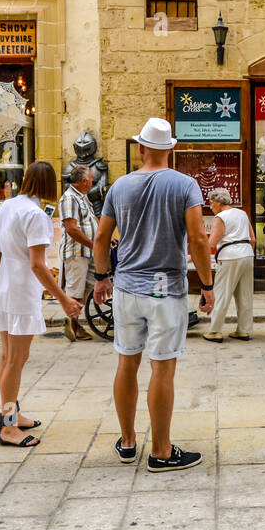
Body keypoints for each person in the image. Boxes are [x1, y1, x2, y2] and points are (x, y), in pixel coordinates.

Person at [92, 117, 215, 473]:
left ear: (142, 148)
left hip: (127, 286)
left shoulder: (120, 187)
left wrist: (102, 277)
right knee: (162, 368)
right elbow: (197, 239)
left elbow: (101, 239)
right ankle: (161, 450)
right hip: (165, 288)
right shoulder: (185, 185)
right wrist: (206, 286)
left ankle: (128, 441)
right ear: (170, 149)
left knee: (126, 362)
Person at [0, 161, 81, 446]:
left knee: (8, 357)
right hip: (19, 289)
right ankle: (7, 426)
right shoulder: (35, 214)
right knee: (16, 360)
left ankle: (12, 412)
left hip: (3, 284)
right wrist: (64, 298)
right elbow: (38, 265)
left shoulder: (7, 206)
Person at [202, 188, 256, 343]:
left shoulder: (220, 217)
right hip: (246, 254)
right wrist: (244, 252)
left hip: (229, 255)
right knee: (244, 294)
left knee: (221, 293)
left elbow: (212, 242)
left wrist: (194, 257)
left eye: (211, 203)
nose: (210, 206)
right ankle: (244, 330)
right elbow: (252, 239)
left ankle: (215, 331)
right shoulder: (242, 213)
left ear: (218, 202)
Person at [58, 164, 98, 341]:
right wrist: (93, 244)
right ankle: (73, 325)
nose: (92, 181)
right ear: (83, 181)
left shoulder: (82, 197)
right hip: (76, 253)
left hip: (87, 251)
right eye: (90, 179)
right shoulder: (69, 198)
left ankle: (74, 319)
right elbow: (71, 229)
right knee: (76, 289)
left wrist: (104, 237)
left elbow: (92, 218)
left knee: (89, 285)